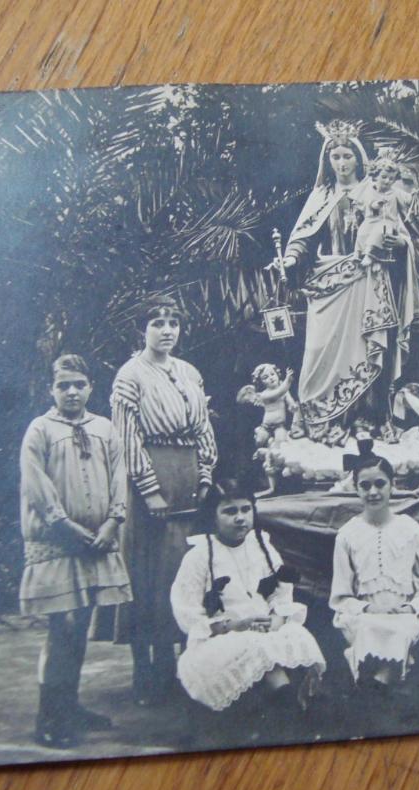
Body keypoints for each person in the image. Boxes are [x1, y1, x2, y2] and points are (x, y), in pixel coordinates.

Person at [95, 294, 218, 705]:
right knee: (150, 574)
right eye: (157, 323)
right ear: (141, 329)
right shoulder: (130, 375)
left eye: (173, 323)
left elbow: (203, 429)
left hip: (189, 479)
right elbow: (126, 438)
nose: (167, 331)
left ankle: (187, 667)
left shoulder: (189, 372)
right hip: (152, 479)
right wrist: (149, 489)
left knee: (187, 571)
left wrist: (205, 473)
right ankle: (147, 670)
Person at [272, 121, 419, 444]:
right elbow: (303, 238)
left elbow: (400, 231)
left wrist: (399, 244)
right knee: (317, 351)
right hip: (328, 285)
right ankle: (323, 420)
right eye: (335, 156)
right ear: (327, 161)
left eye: (347, 156)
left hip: (369, 279)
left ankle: (365, 419)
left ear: (359, 158)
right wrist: (291, 259)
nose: (341, 163)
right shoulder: (322, 195)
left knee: (368, 349)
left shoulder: (376, 189)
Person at [19, 354, 132, 748]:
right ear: (51, 389)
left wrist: (113, 521)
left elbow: (119, 477)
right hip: (58, 542)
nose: (71, 392)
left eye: (79, 384)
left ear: (90, 387)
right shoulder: (40, 430)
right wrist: (65, 525)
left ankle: (70, 705)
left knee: (80, 623)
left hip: (97, 541)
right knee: (62, 627)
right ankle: (49, 717)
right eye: (63, 385)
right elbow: (36, 485)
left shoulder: (104, 428)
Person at [169, 479, 325, 713]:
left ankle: (292, 703)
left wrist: (276, 618)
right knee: (256, 648)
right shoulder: (199, 556)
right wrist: (233, 625)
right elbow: (187, 611)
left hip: (264, 628)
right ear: (213, 516)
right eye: (230, 512)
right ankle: (288, 705)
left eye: (245, 509)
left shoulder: (262, 547)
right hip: (221, 637)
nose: (240, 518)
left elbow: (281, 593)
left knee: (298, 636)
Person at [329, 439, 419, 686]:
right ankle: (378, 684)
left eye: (380, 484)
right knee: (369, 628)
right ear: (355, 489)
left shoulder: (412, 531)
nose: (373, 492)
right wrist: (368, 608)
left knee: (399, 630)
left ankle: (376, 686)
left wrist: (410, 608)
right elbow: (341, 596)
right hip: (365, 615)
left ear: (392, 485)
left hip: (404, 615)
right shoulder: (347, 535)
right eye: (365, 486)